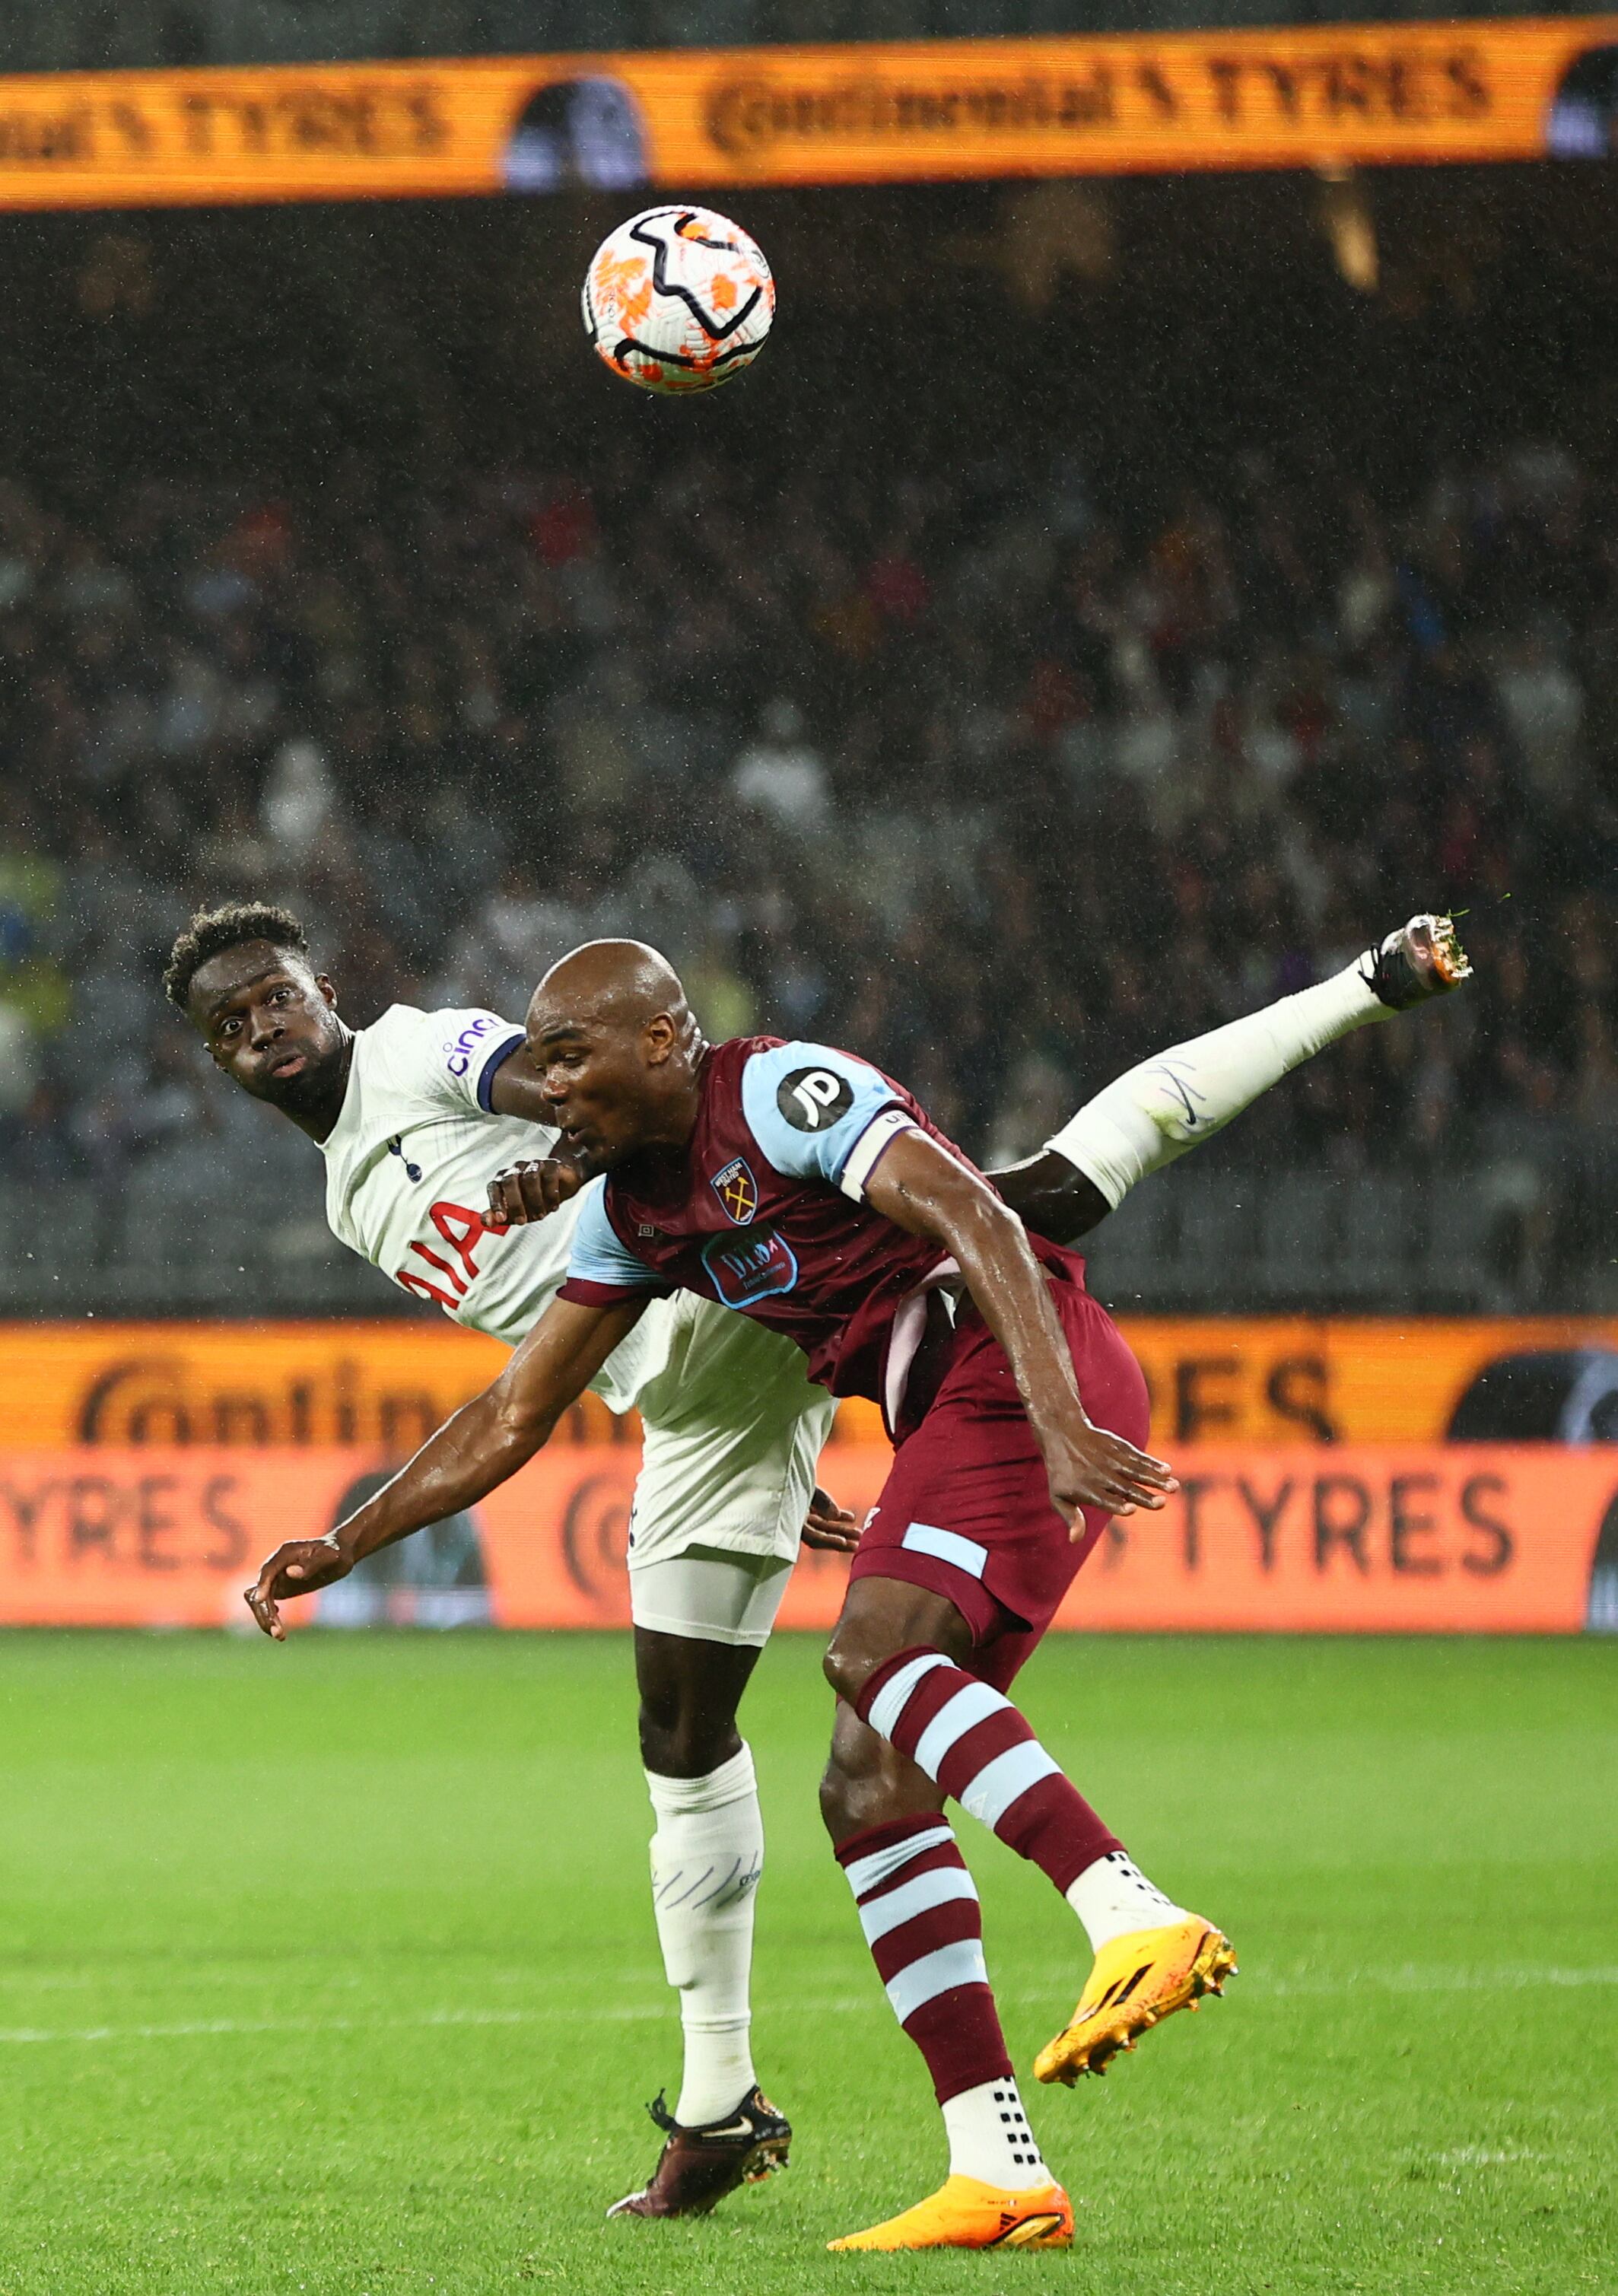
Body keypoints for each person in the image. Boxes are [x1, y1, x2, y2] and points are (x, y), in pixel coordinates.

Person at [240, 918, 1470, 2247]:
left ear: (659, 1038)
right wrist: (349, 1541)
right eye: (226, 1026)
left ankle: (1133, 1911)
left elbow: (956, 1209)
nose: (560, 1083)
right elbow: (512, 1410)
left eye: (578, 1062)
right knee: (857, 1776)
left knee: (1030, 1237)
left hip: (1008, 1372)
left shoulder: (765, 1089)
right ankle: (987, 2167)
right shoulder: (636, 1215)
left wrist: (1057, 1413)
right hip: (761, 1391)